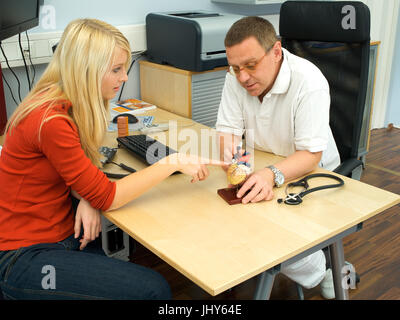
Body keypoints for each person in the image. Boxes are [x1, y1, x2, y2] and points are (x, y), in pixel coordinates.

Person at [0, 18, 224, 300]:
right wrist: (172, 161)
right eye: (116, 69)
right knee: (153, 290)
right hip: (22, 255)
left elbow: (80, 170)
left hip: (57, 231)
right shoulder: (51, 120)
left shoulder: (61, 101)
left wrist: (86, 197)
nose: (125, 77)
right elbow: (108, 196)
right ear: (87, 71)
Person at [216, 16, 340, 299]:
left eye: (250, 65)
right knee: (230, 217)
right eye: (235, 68)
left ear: (276, 51)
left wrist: (270, 175)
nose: (242, 77)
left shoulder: (309, 81)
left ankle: (325, 268)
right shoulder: (236, 77)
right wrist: (236, 162)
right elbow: (227, 131)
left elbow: (311, 155)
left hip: (314, 172)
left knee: (272, 237)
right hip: (262, 162)